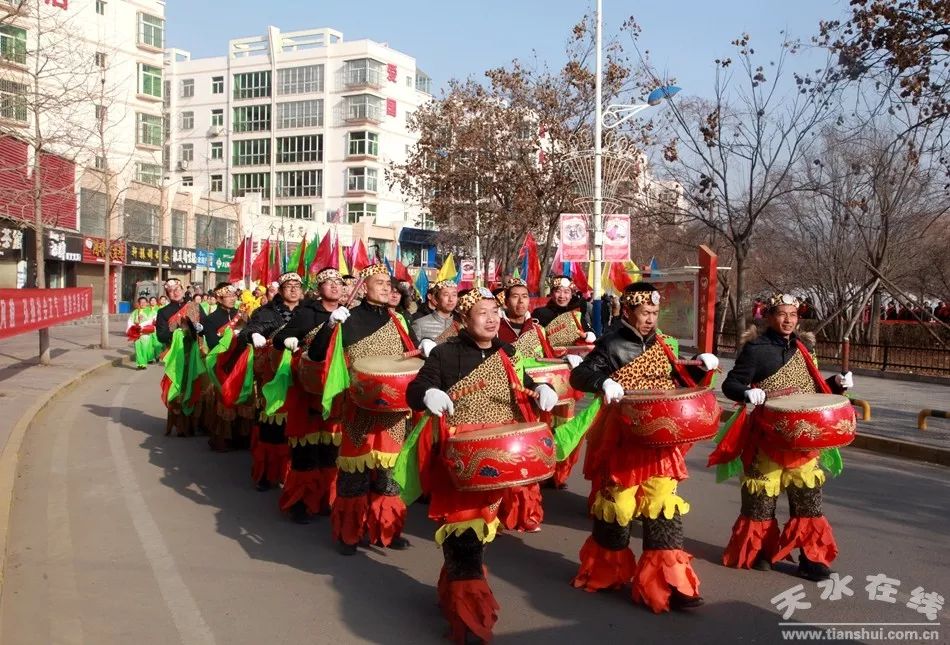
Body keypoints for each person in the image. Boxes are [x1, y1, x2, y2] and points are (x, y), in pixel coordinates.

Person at [403, 287, 558, 643]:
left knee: (479, 536)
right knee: (465, 534)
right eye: (482, 313)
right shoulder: (444, 354)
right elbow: (416, 389)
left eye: (494, 312)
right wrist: (427, 394)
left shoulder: (508, 351)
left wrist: (542, 387)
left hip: (501, 457)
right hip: (461, 459)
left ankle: (456, 585)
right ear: (463, 319)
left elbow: (526, 384)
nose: (491, 319)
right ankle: (468, 615)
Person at [566, 282, 718, 612]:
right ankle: (606, 570)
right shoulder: (611, 343)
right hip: (623, 438)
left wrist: (700, 368)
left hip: (659, 441)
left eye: (654, 312)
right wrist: (602, 381)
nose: (650, 319)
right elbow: (580, 377)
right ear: (629, 311)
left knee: (663, 503)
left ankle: (670, 581)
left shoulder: (664, 345)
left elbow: (680, 383)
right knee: (618, 507)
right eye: (644, 312)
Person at [714, 293, 852, 581]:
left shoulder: (803, 346)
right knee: (761, 500)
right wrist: (746, 392)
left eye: (793, 314)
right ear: (769, 317)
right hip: (768, 435)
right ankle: (760, 552)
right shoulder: (756, 348)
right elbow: (731, 384)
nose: (788, 320)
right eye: (782, 314)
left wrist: (835, 384)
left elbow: (812, 391)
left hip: (803, 437)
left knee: (808, 500)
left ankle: (811, 558)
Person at [309, 263, 419, 555]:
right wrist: (331, 324)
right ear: (364, 286)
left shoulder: (399, 321)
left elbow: (414, 355)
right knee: (354, 474)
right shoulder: (348, 319)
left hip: (394, 411)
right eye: (380, 282)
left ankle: (386, 528)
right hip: (358, 407)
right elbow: (318, 354)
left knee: (389, 475)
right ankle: (349, 532)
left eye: (389, 283)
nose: (386, 288)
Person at [272, 268, 346, 524]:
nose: (335, 286)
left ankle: (325, 498)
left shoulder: (349, 313)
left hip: (335, 389)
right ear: (319, 288)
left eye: (339, 282)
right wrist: (290, 340)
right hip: (308, 388)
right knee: (306, 450)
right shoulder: (307, 312)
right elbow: (280, 337)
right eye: (329, 282)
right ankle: (300, 502)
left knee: (330, 450)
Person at [238, 272, 305, 491]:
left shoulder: (309, 311)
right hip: (273, 374)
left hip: (302, 376)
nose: (294, 289)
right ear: (281, 289)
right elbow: (249, 330)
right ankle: (267, 475)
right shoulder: (266, 312)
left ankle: (294, 473)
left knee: (299, 430)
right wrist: (254, 335)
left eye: (297, 285)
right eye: (289, 286)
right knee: (273, 428)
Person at [531, 275, 595, 488]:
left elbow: (586, 335)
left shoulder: (577, 313)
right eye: (559, 291)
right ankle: (541, 468)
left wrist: (588, 336)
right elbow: (534, 343)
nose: (562, 296)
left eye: (566, 292)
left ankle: (559, 472)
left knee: (565, 425)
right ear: (552, 292)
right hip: (546, 374)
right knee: (544, 422)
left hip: (569, 375)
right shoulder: (540, 314)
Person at [155, 278, 205, 437]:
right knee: (178, 387)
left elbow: (205, 328)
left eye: (178, 288)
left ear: (183, 289)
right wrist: (178, 331)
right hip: (177, 355)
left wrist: (199, 328)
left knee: (197, 385)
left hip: (196, 352)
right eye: (171, 290)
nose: (175, 292)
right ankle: (180, 424)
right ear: (167, 294)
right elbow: (161, 336)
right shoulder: (163, 312)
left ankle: (197, 423)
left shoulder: (195, 307)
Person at [200, 283, 245, 452]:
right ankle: (221, 437)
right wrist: (231, 339)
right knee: (224, 398)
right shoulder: (211, 319)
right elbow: (212, 343)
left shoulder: (241, 315)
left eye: (234, 295)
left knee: (241, 397)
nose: (233, 298)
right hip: (220, 362)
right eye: (228, 296)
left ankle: (240, 436)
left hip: (239, 361)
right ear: (219, 298)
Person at [127, 296, 157, 369]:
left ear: (147, 303)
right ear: (139, 303)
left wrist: (142, 326)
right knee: (137, 349)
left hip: (145, 332)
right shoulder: (135, 312)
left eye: (144, 302)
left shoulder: (150, 311)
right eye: (141, 302)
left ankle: (144, 363)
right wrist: (132, 328)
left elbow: (152, 320)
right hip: (136, 332)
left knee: (144, 348)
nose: (143, 303)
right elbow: (130, 321)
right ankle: (140, 364)